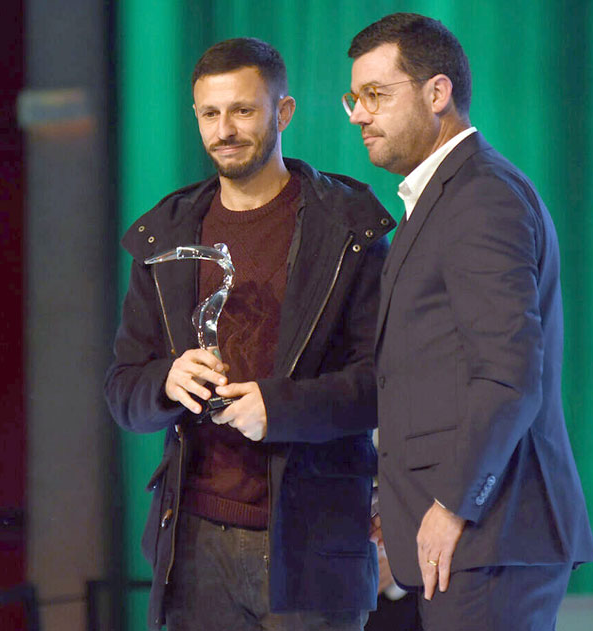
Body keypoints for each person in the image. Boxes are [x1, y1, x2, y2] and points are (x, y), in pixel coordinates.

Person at [105, 37, 394, 631]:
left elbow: (384, 383)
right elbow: (123, 392)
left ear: (282, 113)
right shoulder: (164, 236)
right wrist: (167, 379)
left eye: (243, 110)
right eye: (210, 114)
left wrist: (280, 409)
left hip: (311, 541)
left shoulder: (350, 229)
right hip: (194, 544)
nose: (225, 129)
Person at [343, 13, 593, 630]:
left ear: (437, 93)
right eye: (353, 98)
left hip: (489, 538)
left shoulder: (480, 196)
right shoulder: (445, 195)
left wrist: (452, 506)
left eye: (376, 95)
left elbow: (509, 375)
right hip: (468, 542)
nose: (358, 114)